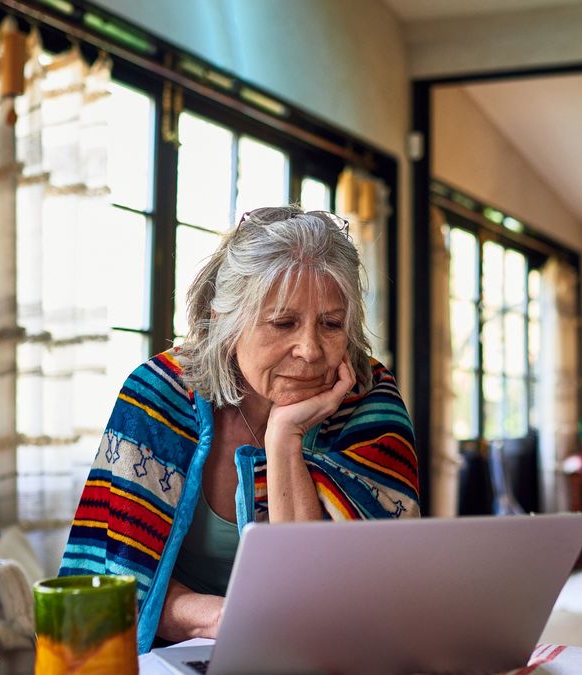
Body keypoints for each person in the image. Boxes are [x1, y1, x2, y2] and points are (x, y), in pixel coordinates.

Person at [59, 206, 420, 653]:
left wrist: (284, 439)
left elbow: (340, 598)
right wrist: (225, 617)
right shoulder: (157, 395)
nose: (310, 350)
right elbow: (115, 583)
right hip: (172, 655)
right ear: (225, 323)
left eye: (331, 324)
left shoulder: (369, 401)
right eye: (283, 322)